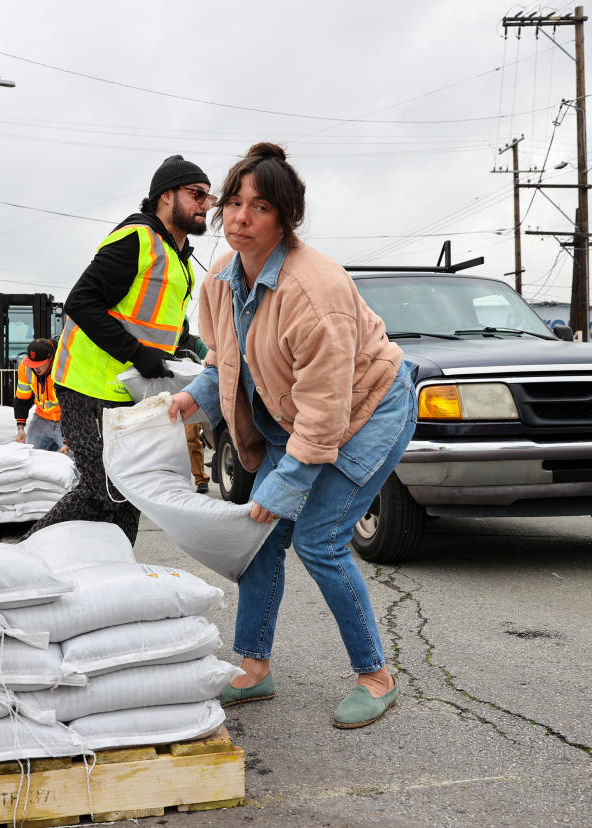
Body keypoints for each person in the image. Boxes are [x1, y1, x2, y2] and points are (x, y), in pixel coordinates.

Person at [167, 143, 417, 729]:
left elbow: (327, 411)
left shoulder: (315, 292)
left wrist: (283, 489)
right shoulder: (222, 283)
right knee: (259, 540)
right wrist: (193, 398)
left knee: (319, 539)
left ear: (286, 218)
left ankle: (376, 677)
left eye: (259, 207)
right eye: (232, 203)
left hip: (370, 409)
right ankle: (255, 669)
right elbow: (223, 362)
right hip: (296, 418)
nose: (240, 217)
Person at [28, 155, 215, 545]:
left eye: (208, 197)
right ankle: (25, 553)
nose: (205, 204)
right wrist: (139, 353)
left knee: (128, 493)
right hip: (86, 386)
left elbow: (162, 325)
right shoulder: (137, 238)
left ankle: (114, 572)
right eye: (196, 194)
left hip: (131, 393)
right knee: (103, 492)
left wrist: (180, 353)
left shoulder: (181, 261)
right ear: (167, 196)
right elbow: (81, 302)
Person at [175, 319, 211, 494]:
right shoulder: (166, 342)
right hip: (169, 396)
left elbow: (208, 366)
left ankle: (200, 478)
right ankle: (173, 482)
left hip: (192, 398)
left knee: (191, 438)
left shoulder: (196, 343)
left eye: (179, 326)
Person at [13, 337, 65, 452]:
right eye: (32, 363)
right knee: (30, 455)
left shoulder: (63, 367)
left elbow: (75, 402)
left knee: (75, 461)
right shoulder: (25, 368)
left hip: (66, 420)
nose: (35, 368)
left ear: (51, 357)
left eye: (39, 364)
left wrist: (71, 433)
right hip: (42, 419)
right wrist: (21, 428)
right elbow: (22, 399)